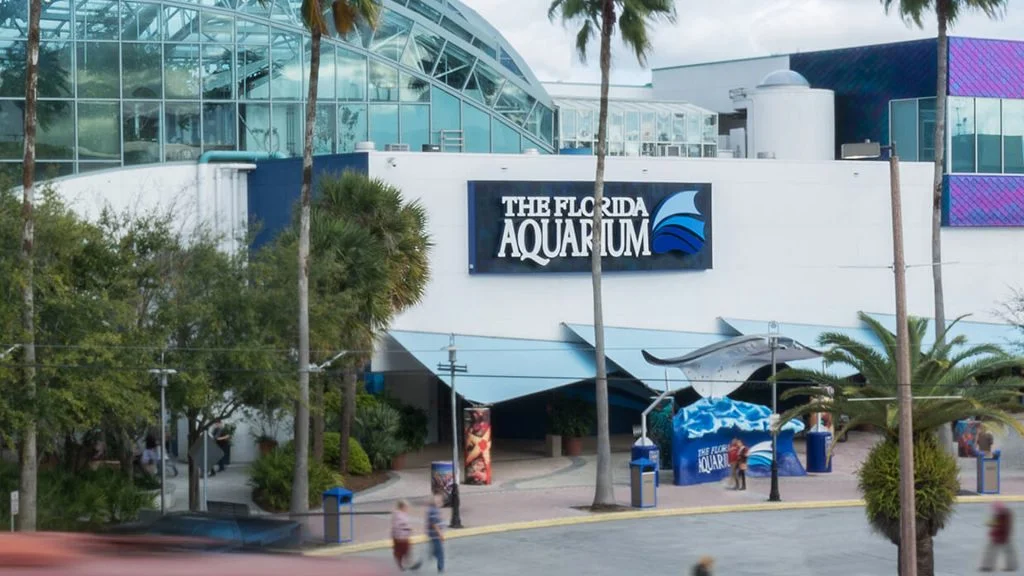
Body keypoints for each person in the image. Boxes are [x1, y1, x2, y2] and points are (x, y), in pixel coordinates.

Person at [981, 502, 1017, 571]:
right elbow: (994, 523)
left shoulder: (1004, 516)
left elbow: (1003, 526)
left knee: (992, 551)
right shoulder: (1002, 515)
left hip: (1001, 537)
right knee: (994, 551)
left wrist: (1000, 535)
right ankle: (988, 566)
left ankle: (988, 566)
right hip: (1000, 536)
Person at [391, 500, 421, 571]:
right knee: (404, 551)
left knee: (405, 551)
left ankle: (405, 564)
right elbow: (399, 526)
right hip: (401, 537)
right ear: (402, 507)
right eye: (406, 507)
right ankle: (407, 564)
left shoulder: (401, 514)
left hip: (402, 537)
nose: (407, 508)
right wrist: (408, 529)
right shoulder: (399, 516)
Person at [425, 492, 446, 573]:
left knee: (436, 548)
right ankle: (441, 567)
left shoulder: (432, 509)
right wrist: (440, 533)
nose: (441, 503)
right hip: (435, 535)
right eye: (439, 501)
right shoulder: (434, 511)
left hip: (432, 534)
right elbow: (434, 524)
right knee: (440, 553)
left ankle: (433, 553)